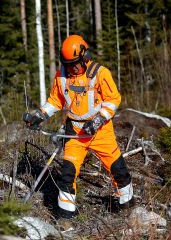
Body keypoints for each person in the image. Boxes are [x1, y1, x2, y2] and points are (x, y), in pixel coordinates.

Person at [23, 35, 133, 218]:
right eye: (67, 63)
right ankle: (66, 218)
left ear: (84, 57)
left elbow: (113, 100)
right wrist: (40, 115)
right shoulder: (62, 76)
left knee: (118, 169)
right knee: (67, 174)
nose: (71, 68)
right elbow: (55, 101)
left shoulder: (100, 73)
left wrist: (99, 119)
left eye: (74, 63)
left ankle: (127, 207)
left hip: (100, 130)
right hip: (74, 132)